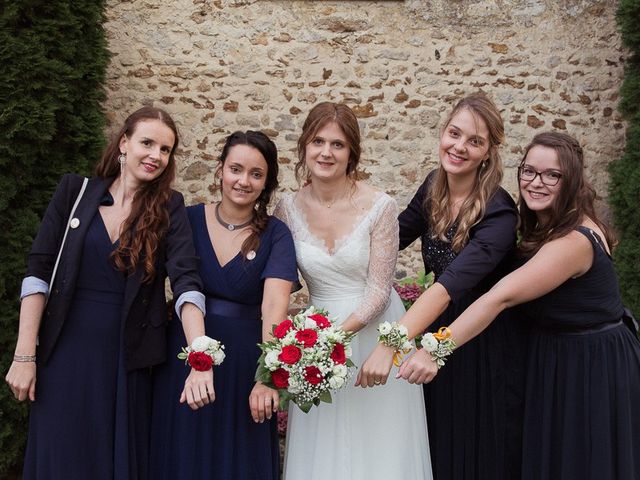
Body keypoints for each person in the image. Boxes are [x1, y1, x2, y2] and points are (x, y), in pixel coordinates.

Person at [4, 106, 213, 480]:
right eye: (147, 143)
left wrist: (200, 354)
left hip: (125, 358)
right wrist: (24, 355)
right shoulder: (75, 192)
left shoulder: (169, 207)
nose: (155, 156)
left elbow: (186, 283)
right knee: (59, 455)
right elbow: (38, 274)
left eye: (165, 150)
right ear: (124, 143)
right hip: (63, 354)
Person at [440, 131, 640, 479]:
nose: (536, 182)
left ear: (572, 181)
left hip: (590, 365)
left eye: (552, 175)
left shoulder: (574, 241)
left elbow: (500, 297)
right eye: (529, 171)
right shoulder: (547, 225)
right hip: (560, 356)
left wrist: (435, 349)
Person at [358, 93, 524, 480]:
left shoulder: (499, 212)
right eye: (454, 133)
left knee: (473, 444)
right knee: (434, 441)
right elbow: (390, 239)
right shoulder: (435, 185)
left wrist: (391, 344)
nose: (459, 147)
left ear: (488, 153)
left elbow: (449, 285)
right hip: (432, 329)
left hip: (481, 340)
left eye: (475, 141)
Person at [275, 102, 432, 479]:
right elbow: (278, 281)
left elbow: (379, 291)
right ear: (304, 147)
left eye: (338, 144)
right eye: (318, 142)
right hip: (317, 336)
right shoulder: (287, 208)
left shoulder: (380, 206)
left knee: (379, 446)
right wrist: (300, 347)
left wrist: (329, 340)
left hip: (373, 334)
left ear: (352, 153)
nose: (326, 152)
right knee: (323, 444)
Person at [150, 130, 297, 480]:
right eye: (236, 169)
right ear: (219, 170)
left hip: (245, 362)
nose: (243, 181)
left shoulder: (276, 234)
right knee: (182, 452)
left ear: (266, 182)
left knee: (237, 461)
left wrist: (267, 377)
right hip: (184, 354)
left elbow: (274, 307)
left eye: (256, 174)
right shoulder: (184, 219)